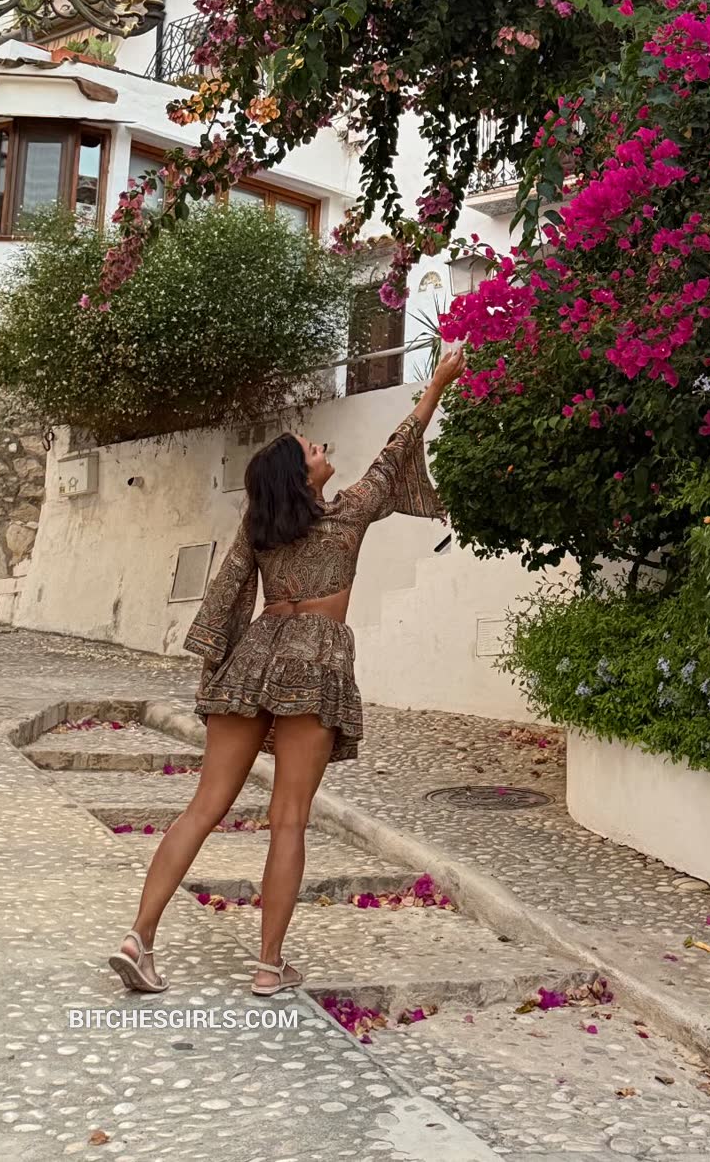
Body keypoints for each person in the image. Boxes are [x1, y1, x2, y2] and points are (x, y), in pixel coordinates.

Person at [108, 345, 464, 998]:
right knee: (290, 817)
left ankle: (139, 937)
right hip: (314, 661)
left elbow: (226, 594)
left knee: (202, 807)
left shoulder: (261, 526)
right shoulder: (349, 511)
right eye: (309, 448)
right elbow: (397, 449)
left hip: (253, 658)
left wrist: (214, 672)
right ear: (301, 477)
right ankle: (269, 966)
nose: (320, 447)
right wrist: (439, 380)